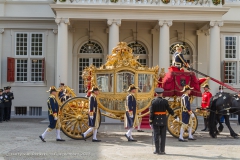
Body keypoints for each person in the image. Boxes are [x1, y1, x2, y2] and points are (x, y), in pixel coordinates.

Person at [149, 88, 179, 155]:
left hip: (156, 120)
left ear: (156, 94)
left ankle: (157, 150)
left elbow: (151, 113)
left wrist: (151, 121)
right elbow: (170, 110)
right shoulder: (165, 101)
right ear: (162, 94)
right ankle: (162, 150)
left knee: (156, 136)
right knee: (163, 136)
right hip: (163, 120)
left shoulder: (153, 101)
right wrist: (175, 116)